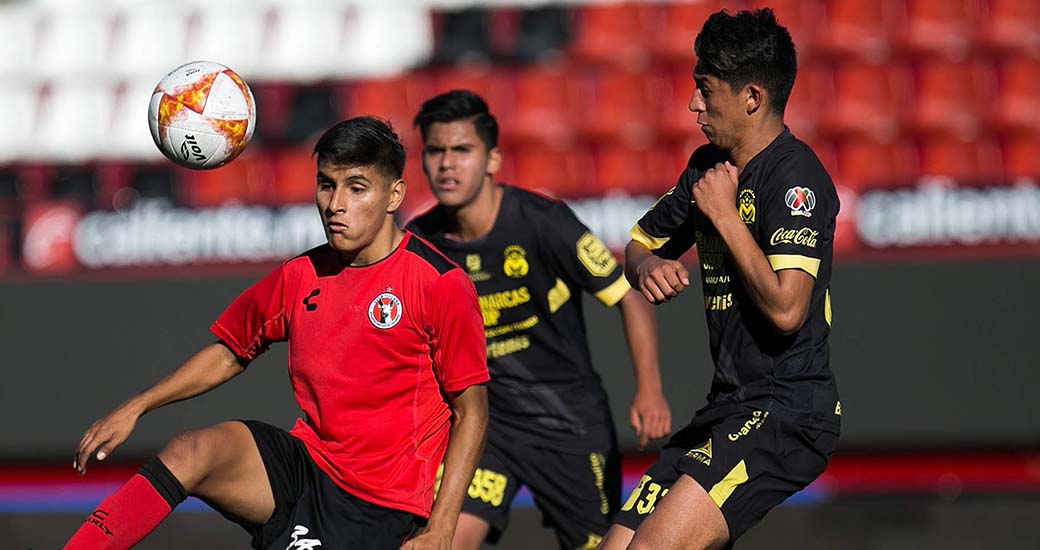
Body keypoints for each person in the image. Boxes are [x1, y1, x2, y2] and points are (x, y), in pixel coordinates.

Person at [63, 116, 490, 550]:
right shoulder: (300, 275)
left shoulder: (440, 284)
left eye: (356, 188)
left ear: (393, 195)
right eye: (326, 185)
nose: (335, 204)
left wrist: (442, 528)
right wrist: (137, 407)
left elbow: (471, 412)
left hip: (376, 506)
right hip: (302, 466)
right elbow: (229, 351)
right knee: (190, 451)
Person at [598, 9, 841, 550]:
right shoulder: (706, 168)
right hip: (727, 407)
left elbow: (787, 310)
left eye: (705, 89)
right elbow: (637, 246)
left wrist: (726, 217)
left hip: (785, 411)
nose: (693, 104)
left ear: (752, 97)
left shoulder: (795, 178)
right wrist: (647, 267)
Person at [406, 90, 672, 550]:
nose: (447, 164)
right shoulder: (419, 243)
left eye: (462, 150)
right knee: (443, 540)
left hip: (568, 425)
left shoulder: (544, 222)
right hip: (485, 430)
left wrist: (649, 390)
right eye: (435, 151)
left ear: (492, 159)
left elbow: (628, 297)